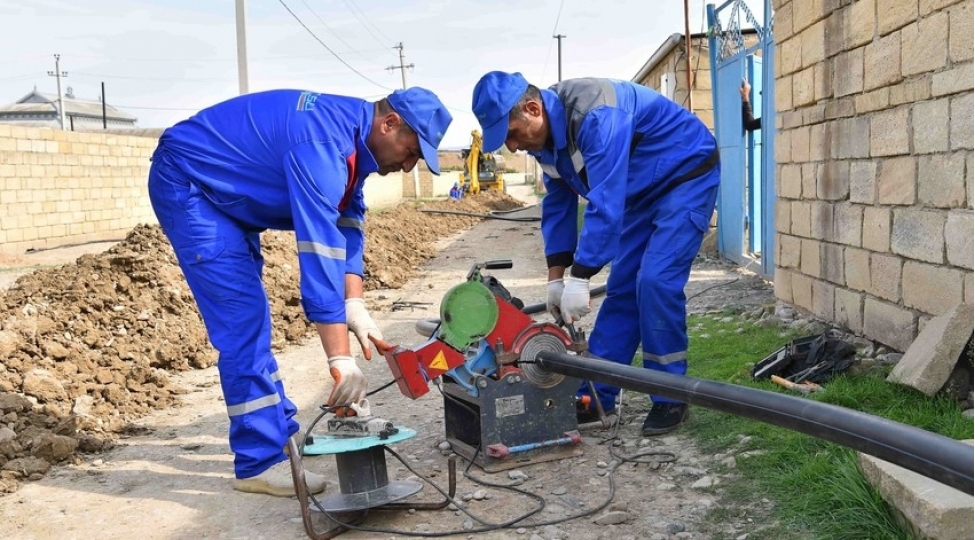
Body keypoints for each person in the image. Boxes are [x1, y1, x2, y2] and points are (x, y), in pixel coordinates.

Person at [147, 87, 452, 496]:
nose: (409, 164)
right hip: (191, 185)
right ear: (390, 123)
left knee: (251, 320)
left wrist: (355, 304)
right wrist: (340, 359)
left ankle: (279, 434)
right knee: (242, 324)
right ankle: (258, 462)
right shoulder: (322, 147)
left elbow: (348, 222)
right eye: (412, 151)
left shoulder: (352, 141)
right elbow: (320, 252)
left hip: (227, 192)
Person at [472, 72, 719, 436]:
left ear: (532, 108)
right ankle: (595, 395)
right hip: (641, 191)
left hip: (686, 176)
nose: (512, 147)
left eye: (511, 133)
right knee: (622, 289)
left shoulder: (596, 115)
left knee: (654, 281)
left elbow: (605, 202)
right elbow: (558, 205)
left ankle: (671, 397)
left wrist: (581, 276)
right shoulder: (546, 141)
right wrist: (556, 278)